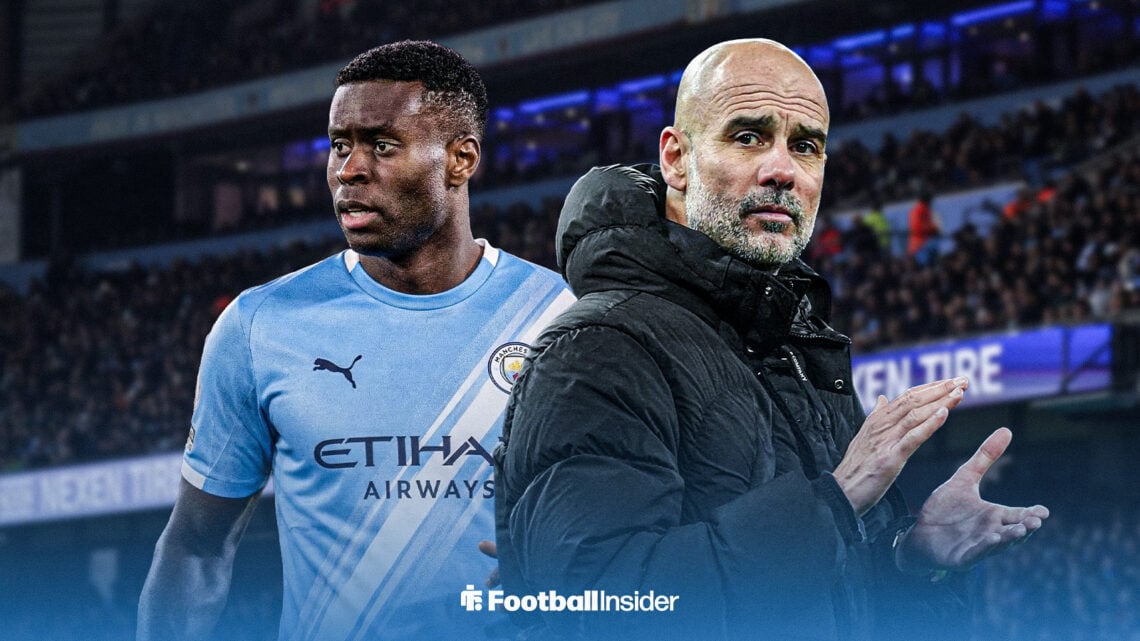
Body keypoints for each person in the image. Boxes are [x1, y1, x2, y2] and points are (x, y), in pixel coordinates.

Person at [494, 38, 1048, 641]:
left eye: (805, 146)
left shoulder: (795, 349)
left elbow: (828, 602)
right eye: (749, 136)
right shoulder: (599, 348)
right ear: (677, 160)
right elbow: (595, 610)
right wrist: (834, 501)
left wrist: (911, 559)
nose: (783, 170)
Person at [137, 40, 574, 641]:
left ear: (461, 159)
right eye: (340, 145)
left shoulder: (560, 316)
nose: (349, 170)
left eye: (382, 145)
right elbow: (195, 548)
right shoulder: (260, 326)